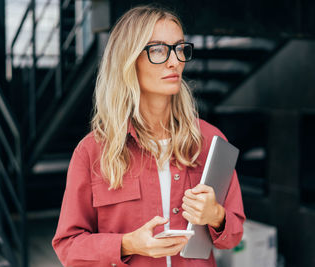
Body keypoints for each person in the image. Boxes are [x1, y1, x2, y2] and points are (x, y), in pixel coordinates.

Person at [52, 5, 245, 267]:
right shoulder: (91, 152)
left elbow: (233, 236)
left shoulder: (209, 140)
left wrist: (215, 215)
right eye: (157, 50)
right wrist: (128, 244)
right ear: (129, 59)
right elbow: (68, 246)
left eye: (179, 48)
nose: (175, 61)